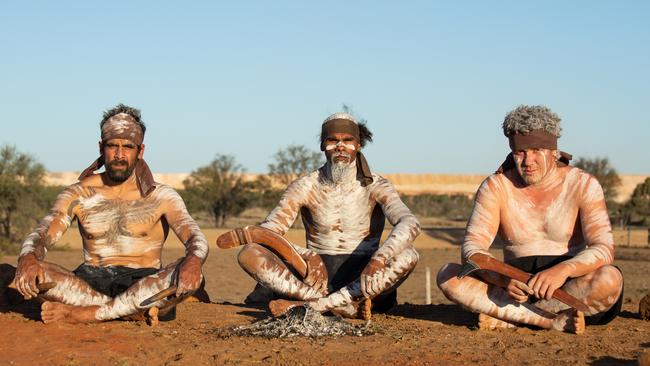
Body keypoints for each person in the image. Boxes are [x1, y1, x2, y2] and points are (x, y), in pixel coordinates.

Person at [10, 104, 209, 324]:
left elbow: (195, 238)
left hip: (143, 282)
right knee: (40, 274)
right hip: (89, 283)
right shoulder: (79, 193)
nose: (119, 155)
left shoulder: (161, 196)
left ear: (140, 151)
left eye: (128, 147)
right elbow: (43, 232)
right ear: (101, 147)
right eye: (112, 146)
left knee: (191, 272)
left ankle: (85, 314)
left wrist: (193, 261)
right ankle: (129, 312)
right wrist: (28, 258)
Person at [436, 105, 623, 334]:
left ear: (554, 151)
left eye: (536, 150)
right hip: (514, 289)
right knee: (449, 275)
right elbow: (472, 250)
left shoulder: (583, 184)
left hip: (568, 287)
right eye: (520, 152)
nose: (528, 161)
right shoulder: (496, 186)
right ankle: (549, 321)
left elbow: (604, 248)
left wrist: (563, 270)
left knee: (610, 278)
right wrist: (504, 279)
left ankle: (510, 319)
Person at [237, 112, 420, 319]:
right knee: (249, 253)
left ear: (358, 145)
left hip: (364, 275)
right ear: (323, 146)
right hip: (315, 279)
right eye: (333, 140)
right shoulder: (305, 186)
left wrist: (379, 258)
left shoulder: (377, 185)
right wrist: (306, 254)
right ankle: (339, 306)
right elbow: (267, 233)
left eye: (347, 140)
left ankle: (317, 305)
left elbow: (410, 222)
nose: (340, 146)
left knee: (409, 254)